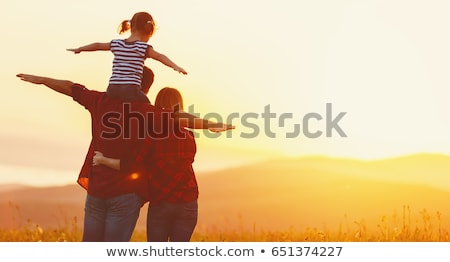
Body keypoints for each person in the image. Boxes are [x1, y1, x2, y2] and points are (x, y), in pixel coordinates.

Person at [16, 68, 232, 242]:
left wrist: (42, 79)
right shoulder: (150, 115)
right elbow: (179, 118)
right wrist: (210, 124)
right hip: (132, 196)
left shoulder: (101, 102)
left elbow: (71, 88)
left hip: (99, 191)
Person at [93, 87, 216, 242]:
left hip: (161, 201)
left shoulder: (151, 135)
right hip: (187, 201)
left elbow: (129, 165)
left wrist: (103, 160)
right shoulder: (189, 135)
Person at [67, 11, 187, 103]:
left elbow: (98, 45)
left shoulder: (117, 44)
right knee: (147, 105)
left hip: (112, 89)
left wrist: (80, 49)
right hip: (130, 89)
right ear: (148, 31)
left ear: (131, 27)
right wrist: (175, 66)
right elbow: (160, 56)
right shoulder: (142, 47)